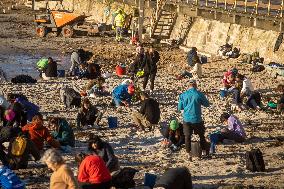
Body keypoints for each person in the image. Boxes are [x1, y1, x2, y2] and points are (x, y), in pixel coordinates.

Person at [178, 79, 210, 158]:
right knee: (201, 136)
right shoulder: (199, 94)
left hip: (187, 119)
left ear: (188, 86)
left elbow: (180, 107)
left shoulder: (183, 95)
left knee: (187, 137)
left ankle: (188, 154)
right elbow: (207, 104)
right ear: (195, 85)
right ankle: (203, 152)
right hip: (197, 119)